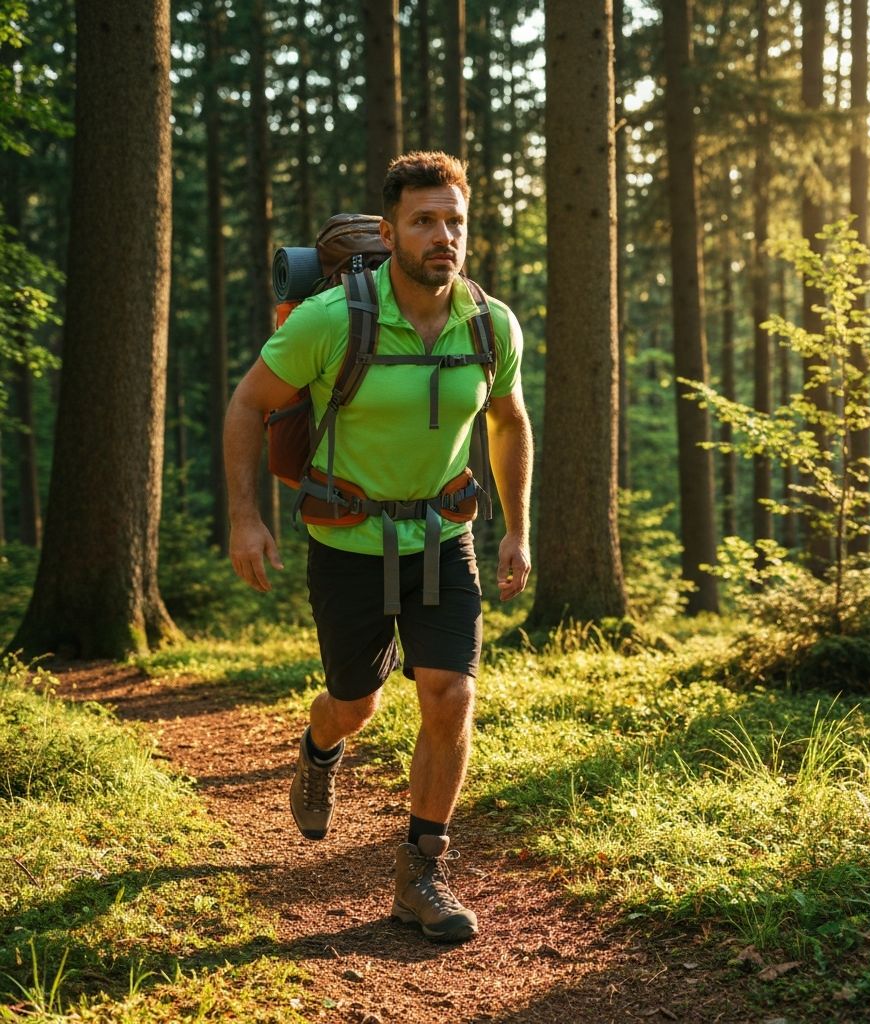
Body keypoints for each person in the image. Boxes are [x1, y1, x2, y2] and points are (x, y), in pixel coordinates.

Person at [223, 151, 534, 944]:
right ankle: (320, 745)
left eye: (454, 221)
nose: (443, 236)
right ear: (390, 231)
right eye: (424, 221)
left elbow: (507, 419)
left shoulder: (491, 324)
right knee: (355, 703)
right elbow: (248, 404)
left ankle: (421, 871)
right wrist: (246, 518)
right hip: (348, 541)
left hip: (444, 537)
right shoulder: (333, 320)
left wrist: (517, 528)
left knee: (449, 695)